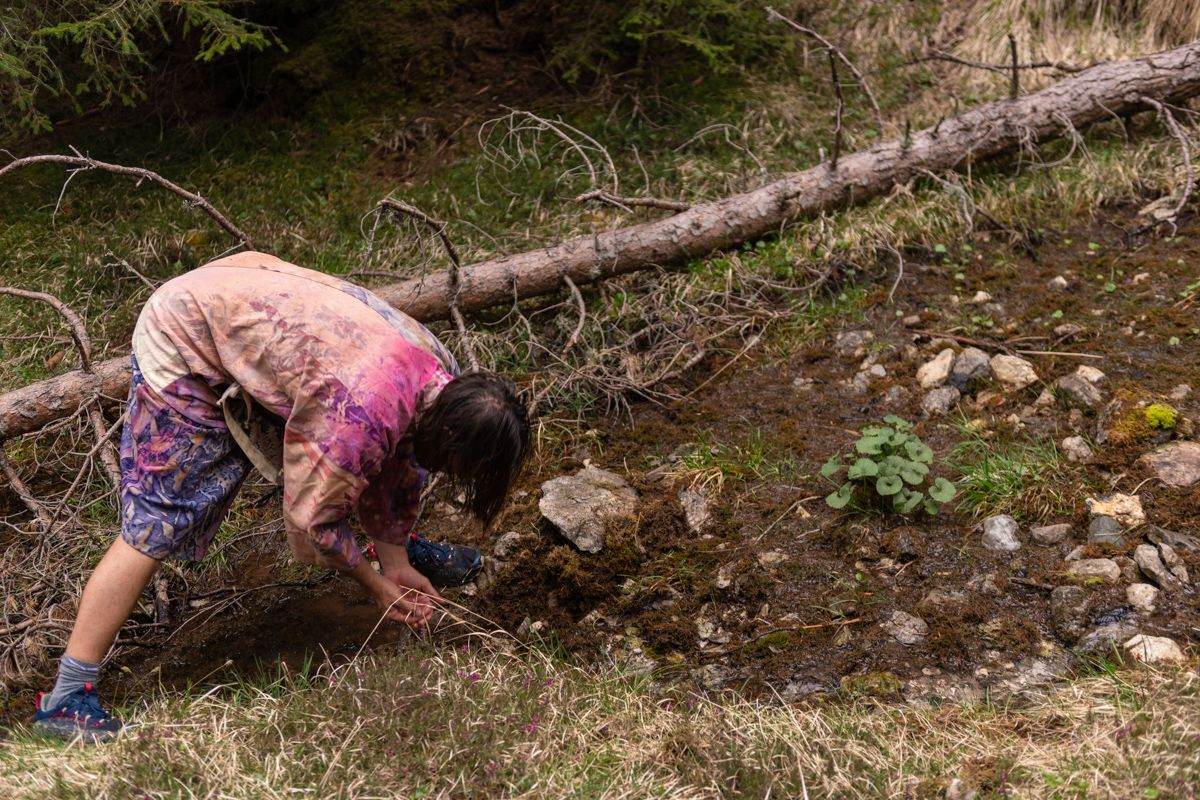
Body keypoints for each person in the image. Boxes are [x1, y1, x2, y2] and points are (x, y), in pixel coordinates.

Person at [31, 251, 530, 742]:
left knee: (373, 452)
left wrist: (393, 561)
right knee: (163, 519)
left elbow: (402, 457)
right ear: (449, 434)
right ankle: (65, 697)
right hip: (185, 331)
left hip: (248, 298)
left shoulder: (439, 376)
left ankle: (404, 552)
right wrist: (375, 584)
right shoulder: (360, 412)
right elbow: (313, 520)